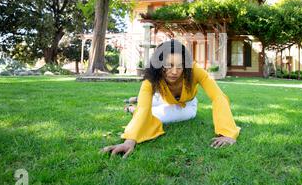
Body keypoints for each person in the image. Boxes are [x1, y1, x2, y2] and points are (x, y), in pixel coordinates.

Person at [102, 39, 241, 158]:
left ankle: (133, 107)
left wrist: (227, 133)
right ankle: (137, 102)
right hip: (163, 97)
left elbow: (218, 96)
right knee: (145, 109)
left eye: (180, 66)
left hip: (186, 104)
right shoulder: (151, 79)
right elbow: (144, 109)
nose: (174, 72)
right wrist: (129, 140)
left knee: (161, 116)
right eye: (169, 65)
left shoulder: (194, 70)